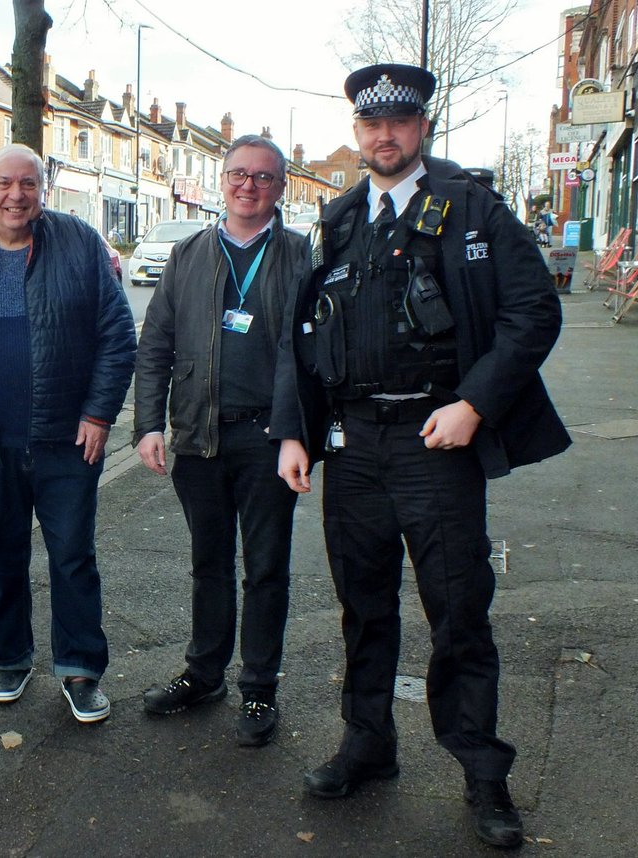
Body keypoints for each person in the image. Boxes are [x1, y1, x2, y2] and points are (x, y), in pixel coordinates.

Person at [272, 64, 571, 849]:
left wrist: (475, 404)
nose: (385, 135)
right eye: (372, 125)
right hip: (353, 447)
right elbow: (303, 338)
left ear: (423, 128)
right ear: (356, 134)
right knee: (363, 608)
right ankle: (368, 745)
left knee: (458, 611)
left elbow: (533, 311)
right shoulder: (336, 220)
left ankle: (483, 772)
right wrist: (296, 431)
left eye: (399, 123)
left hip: (437, 443)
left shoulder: (471, 207)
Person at [0, 144, 136, 723]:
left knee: (71, 558)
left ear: (42, 188)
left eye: (28, 184)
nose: (16, 195)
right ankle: (9, 657)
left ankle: (81, 669)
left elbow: (117, 335)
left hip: (66, 441)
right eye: (4, 184)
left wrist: (97, 415)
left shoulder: (79, 243)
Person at [133, 135, 308, 747]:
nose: (248, 185)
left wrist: (297, 434)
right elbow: (155, 344)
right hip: (199, 439)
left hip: (268, 440)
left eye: (263, 177)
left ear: (280, 187)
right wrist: (149, 423)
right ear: (221, 181)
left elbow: (310, 354)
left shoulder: (300, 255)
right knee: (208, 564)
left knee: (265, 569)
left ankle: (259, 687)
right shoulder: (188, 255)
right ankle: (205, 673)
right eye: (238, 174)